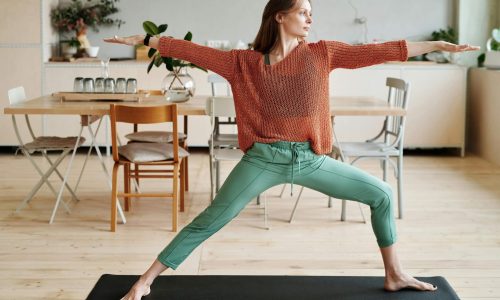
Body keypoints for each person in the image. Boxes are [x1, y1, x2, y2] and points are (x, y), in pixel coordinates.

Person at [105, 1, 479, 299]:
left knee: (382, 194)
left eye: (311, 14)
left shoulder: (322, 54)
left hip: (310, 160)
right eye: (303, 12)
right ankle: (145, 281)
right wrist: (144, 39)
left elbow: (376, 51)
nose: (309, 19)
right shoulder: (242, 63)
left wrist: (434, 45)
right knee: (210, 220)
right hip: (262, 161)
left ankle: (395, 274)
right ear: (279, 16)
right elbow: (191, 50)